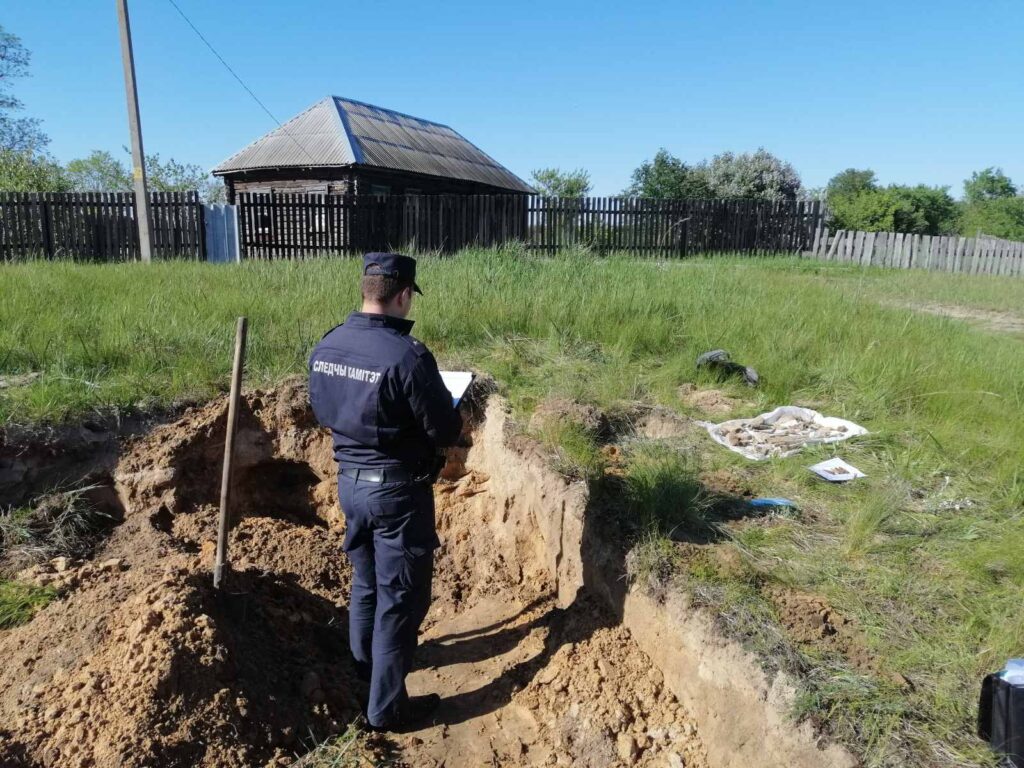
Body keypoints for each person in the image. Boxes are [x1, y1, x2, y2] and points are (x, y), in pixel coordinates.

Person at [308, 253, 462, 732]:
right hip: (397, 494)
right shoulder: (408, 355)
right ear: (402, 295)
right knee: (401, 598)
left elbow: (323, 410)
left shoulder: (328, 344)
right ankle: (386, 710)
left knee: (366, 583)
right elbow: (444, 429)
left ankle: (364, 674)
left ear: (366, 290)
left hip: (349, 484)